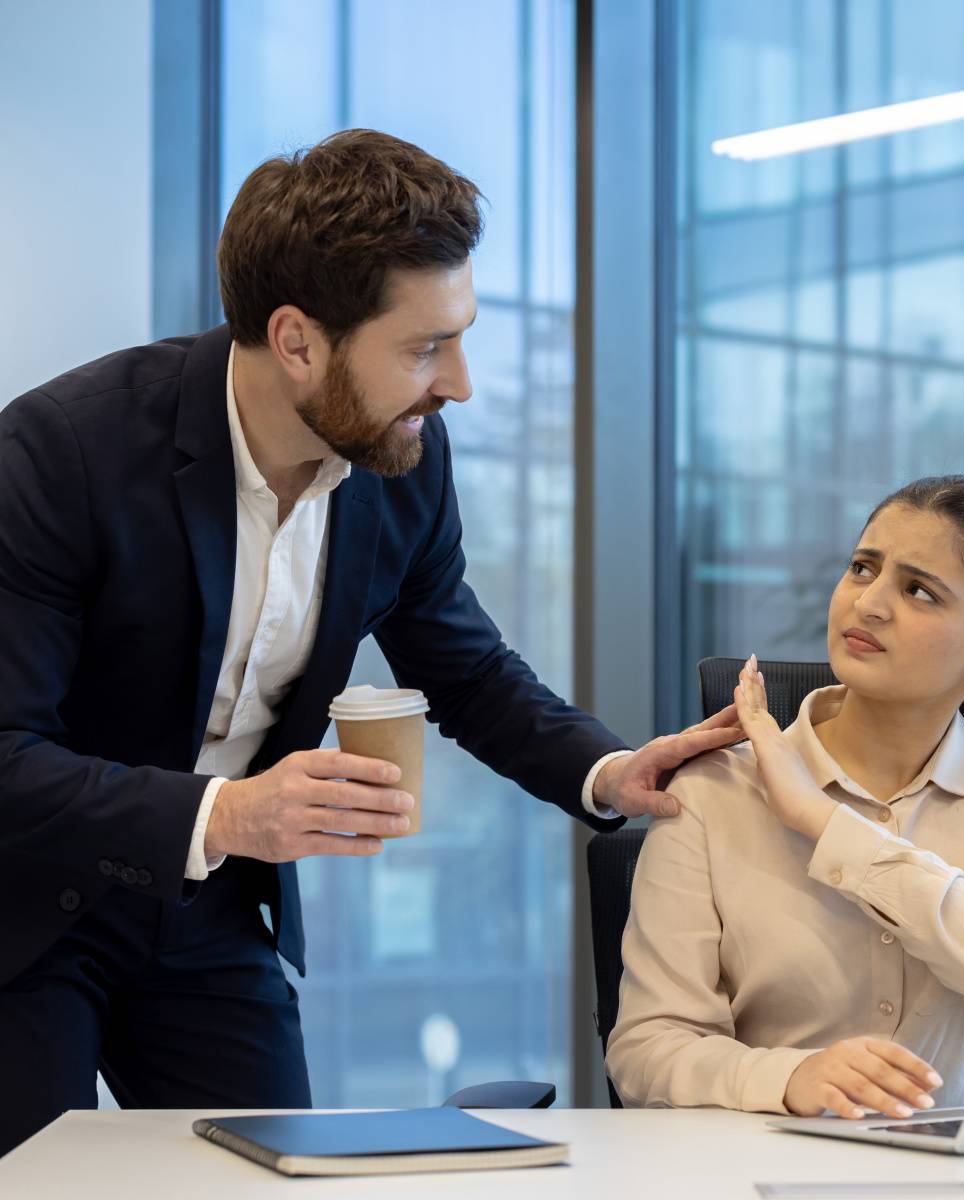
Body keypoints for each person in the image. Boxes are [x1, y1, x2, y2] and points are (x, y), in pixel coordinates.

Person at [0, 129, 740, 1155]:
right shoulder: (58, 453)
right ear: (298, 340)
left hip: (210, 908)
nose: (462, 385)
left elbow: (467, 672)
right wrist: (233, 810)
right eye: (425, 348)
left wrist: (611, 771)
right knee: (41, 1183)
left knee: (283, 1178)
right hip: (29, 904)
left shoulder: (402, 463)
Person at [606, 475, 964, 1118]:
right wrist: (788, 1078)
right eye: (863, 568)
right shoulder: (712, 791)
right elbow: (645, 1051)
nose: (868, 603)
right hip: (758, 1171)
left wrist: (821, 822)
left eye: (919, 590)